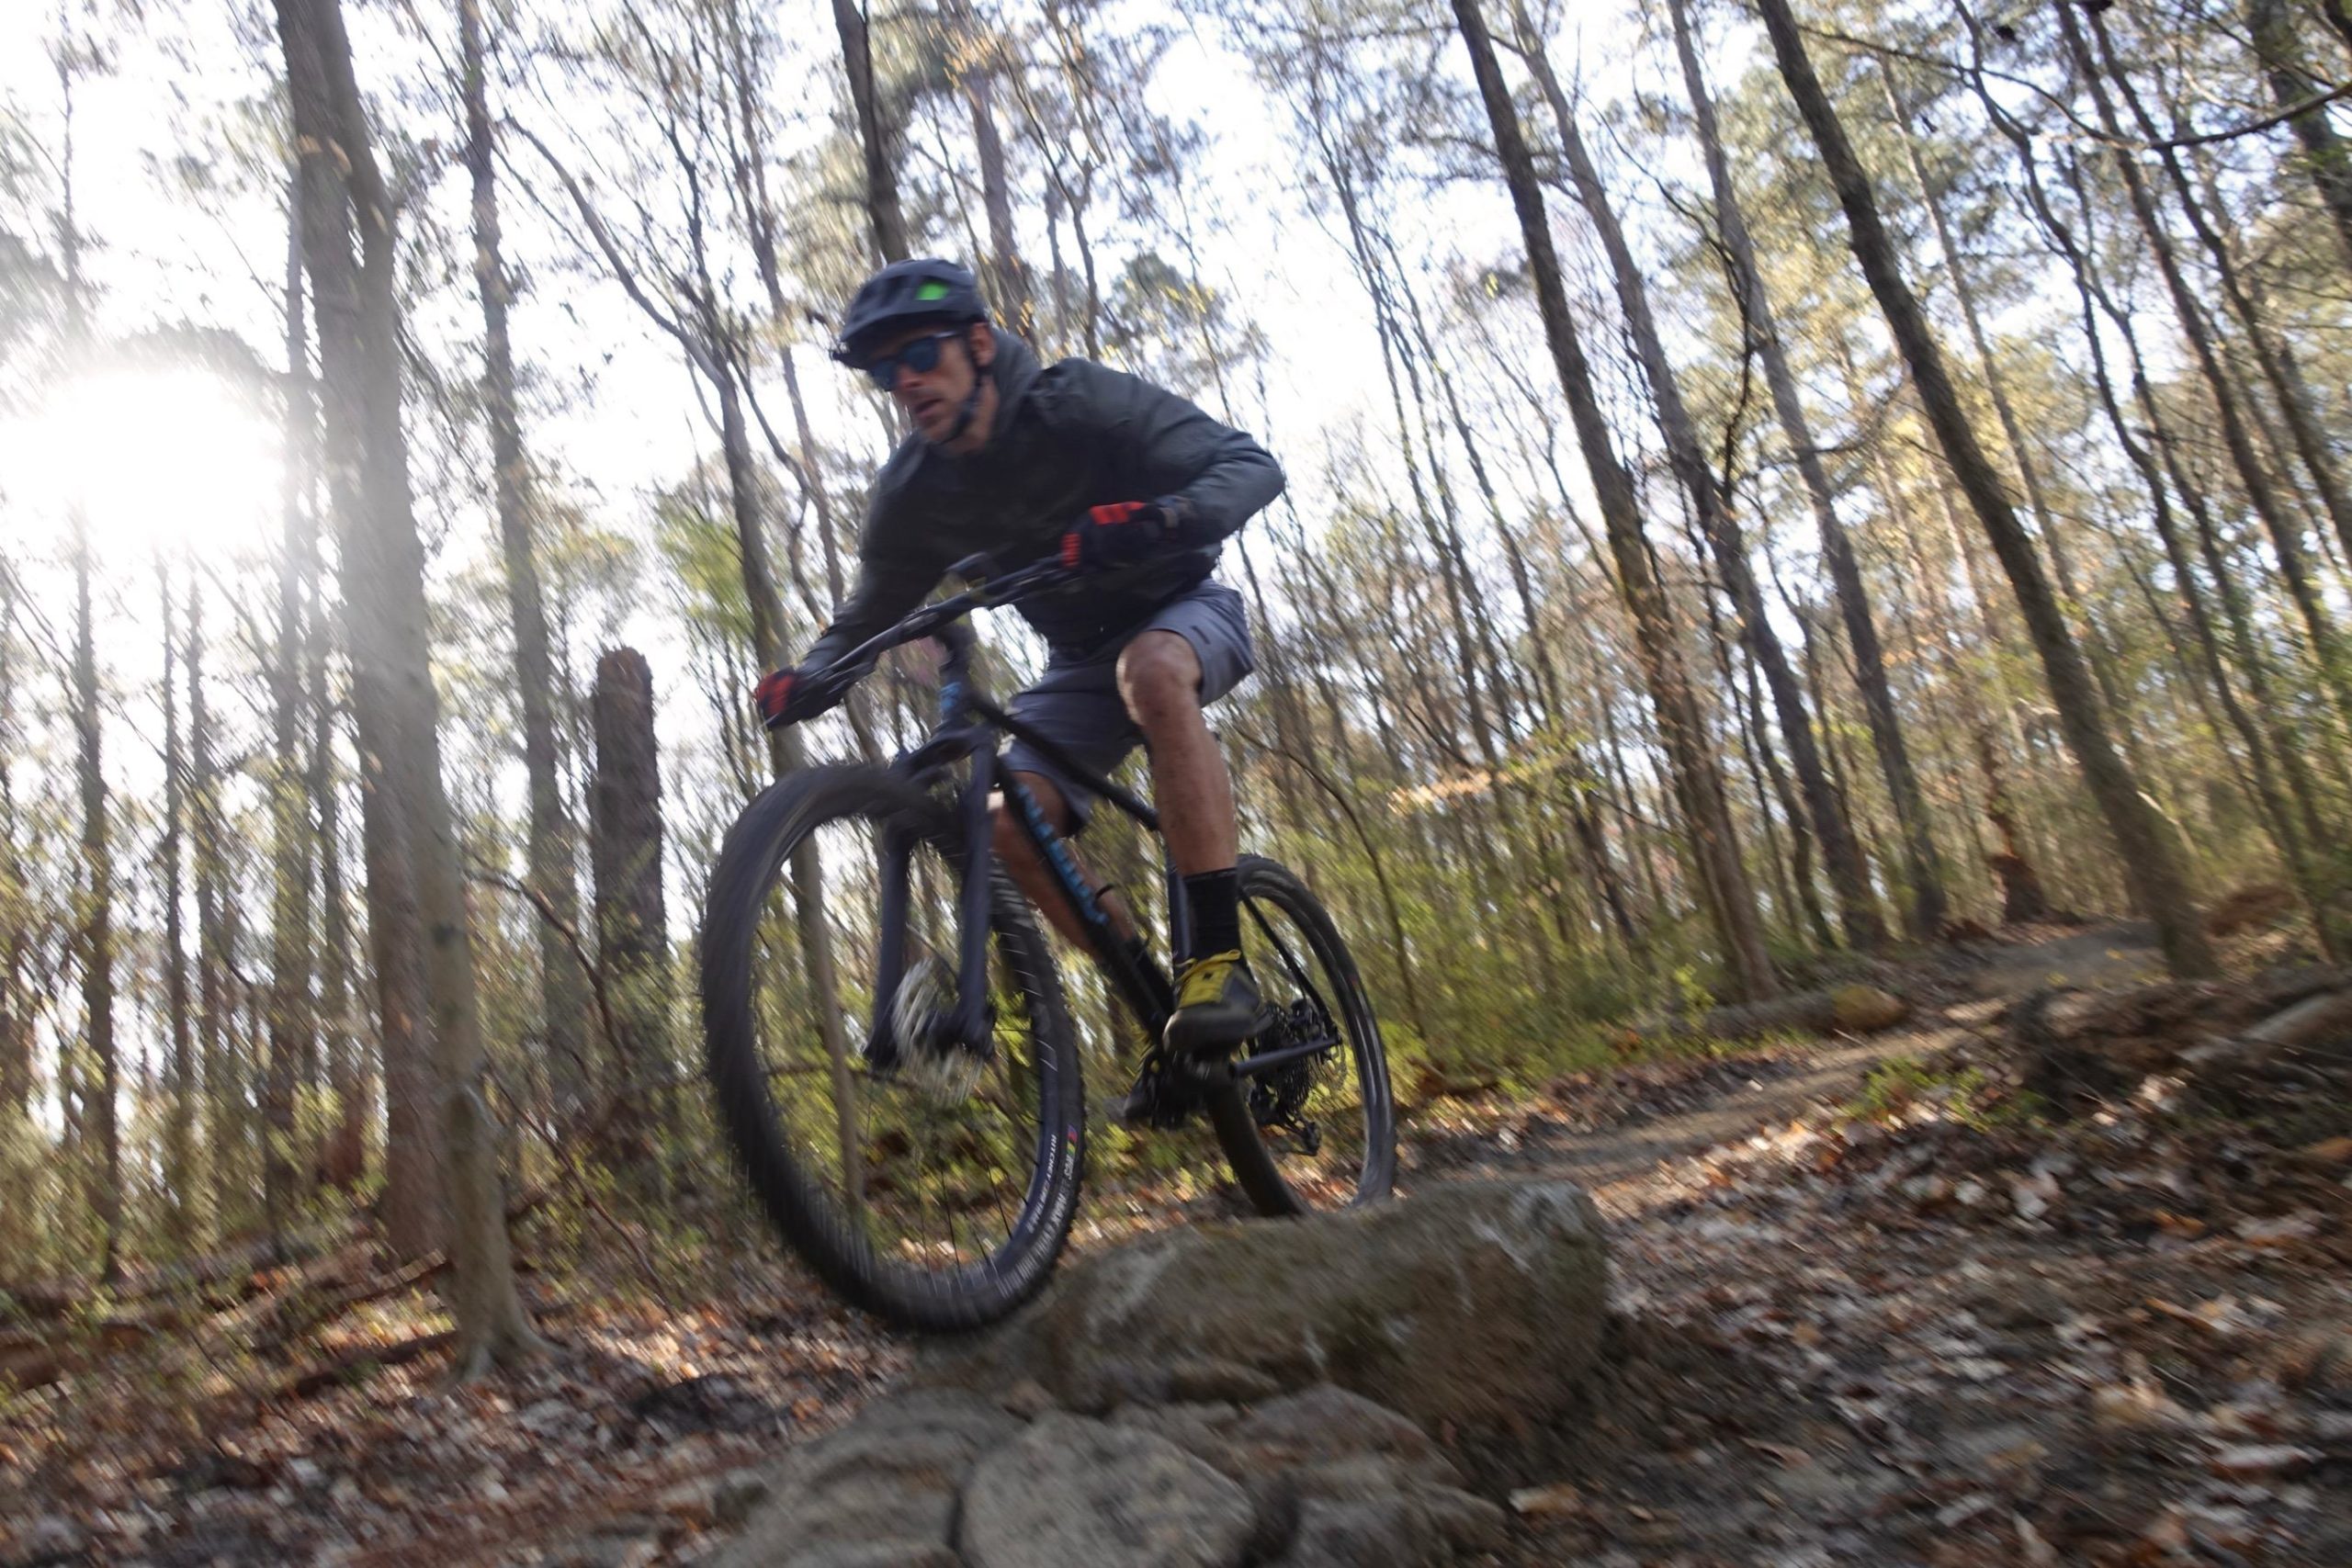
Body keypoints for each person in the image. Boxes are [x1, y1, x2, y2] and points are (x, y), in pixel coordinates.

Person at [752, 257, 1284, 1088]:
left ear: (977, 343)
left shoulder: (1077, 404)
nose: (906, 383)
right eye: (888, 374)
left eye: (921, 356)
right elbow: (873, 608)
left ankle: (1217, 959)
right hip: (1076, 661)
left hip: (1183, 607)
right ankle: (1157, 998)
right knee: (1004, 823)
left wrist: (1162, 517)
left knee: (1149, 670)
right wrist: (815, 675)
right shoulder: (915, 489)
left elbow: (1250, 464)